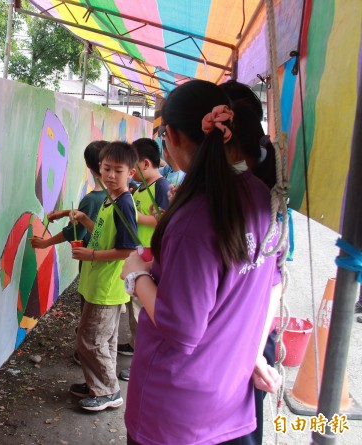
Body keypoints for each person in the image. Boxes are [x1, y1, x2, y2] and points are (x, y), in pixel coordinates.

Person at [121, 80, 281, 444]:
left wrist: (136, 276)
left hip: (174, 412)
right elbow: (271, 283)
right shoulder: (258, 195)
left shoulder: (195, 218)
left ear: (172, 136)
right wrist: (253, 352)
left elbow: (181, 329)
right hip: (228, 401)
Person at [220, 80, 282, 445]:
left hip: (248, 331)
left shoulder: (252, 191)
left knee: (240, 425)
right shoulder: (256, 182)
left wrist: (253, 350)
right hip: (248, 331)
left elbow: (272, 279)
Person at [67, 141, 139, 412]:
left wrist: (91, 256)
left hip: (106, 288)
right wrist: (85, 218)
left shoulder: (124, 205)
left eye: (117, 171)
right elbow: (100, 230)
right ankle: (97, 384)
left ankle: (108, 392)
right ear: (99, 168)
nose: (110, 175)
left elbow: (126, 249)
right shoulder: (112, 199)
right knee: (102, 339)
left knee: (90, 340)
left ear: (130, 173)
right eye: (106, 169)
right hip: (97, 284)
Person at [30, 140, 108, 366]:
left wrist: (45, 243)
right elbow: (84, 219)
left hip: (91, 261)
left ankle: (87, 351)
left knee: (90, 306)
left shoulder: (92, 199)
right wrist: (66, 212)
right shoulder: (112, 197)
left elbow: (76, 230)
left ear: (88, 166)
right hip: (104, 263)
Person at [118, 138, 170, 381]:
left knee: (141, 308)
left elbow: (160, 218)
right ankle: (133, 343)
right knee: (133, 303)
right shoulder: (140, 187)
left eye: (133, 166)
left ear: (146, 163)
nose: (130, 172)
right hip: (138, 251)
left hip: (150, 252)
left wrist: (136, 216)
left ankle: (141, 356)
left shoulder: (161, 186)